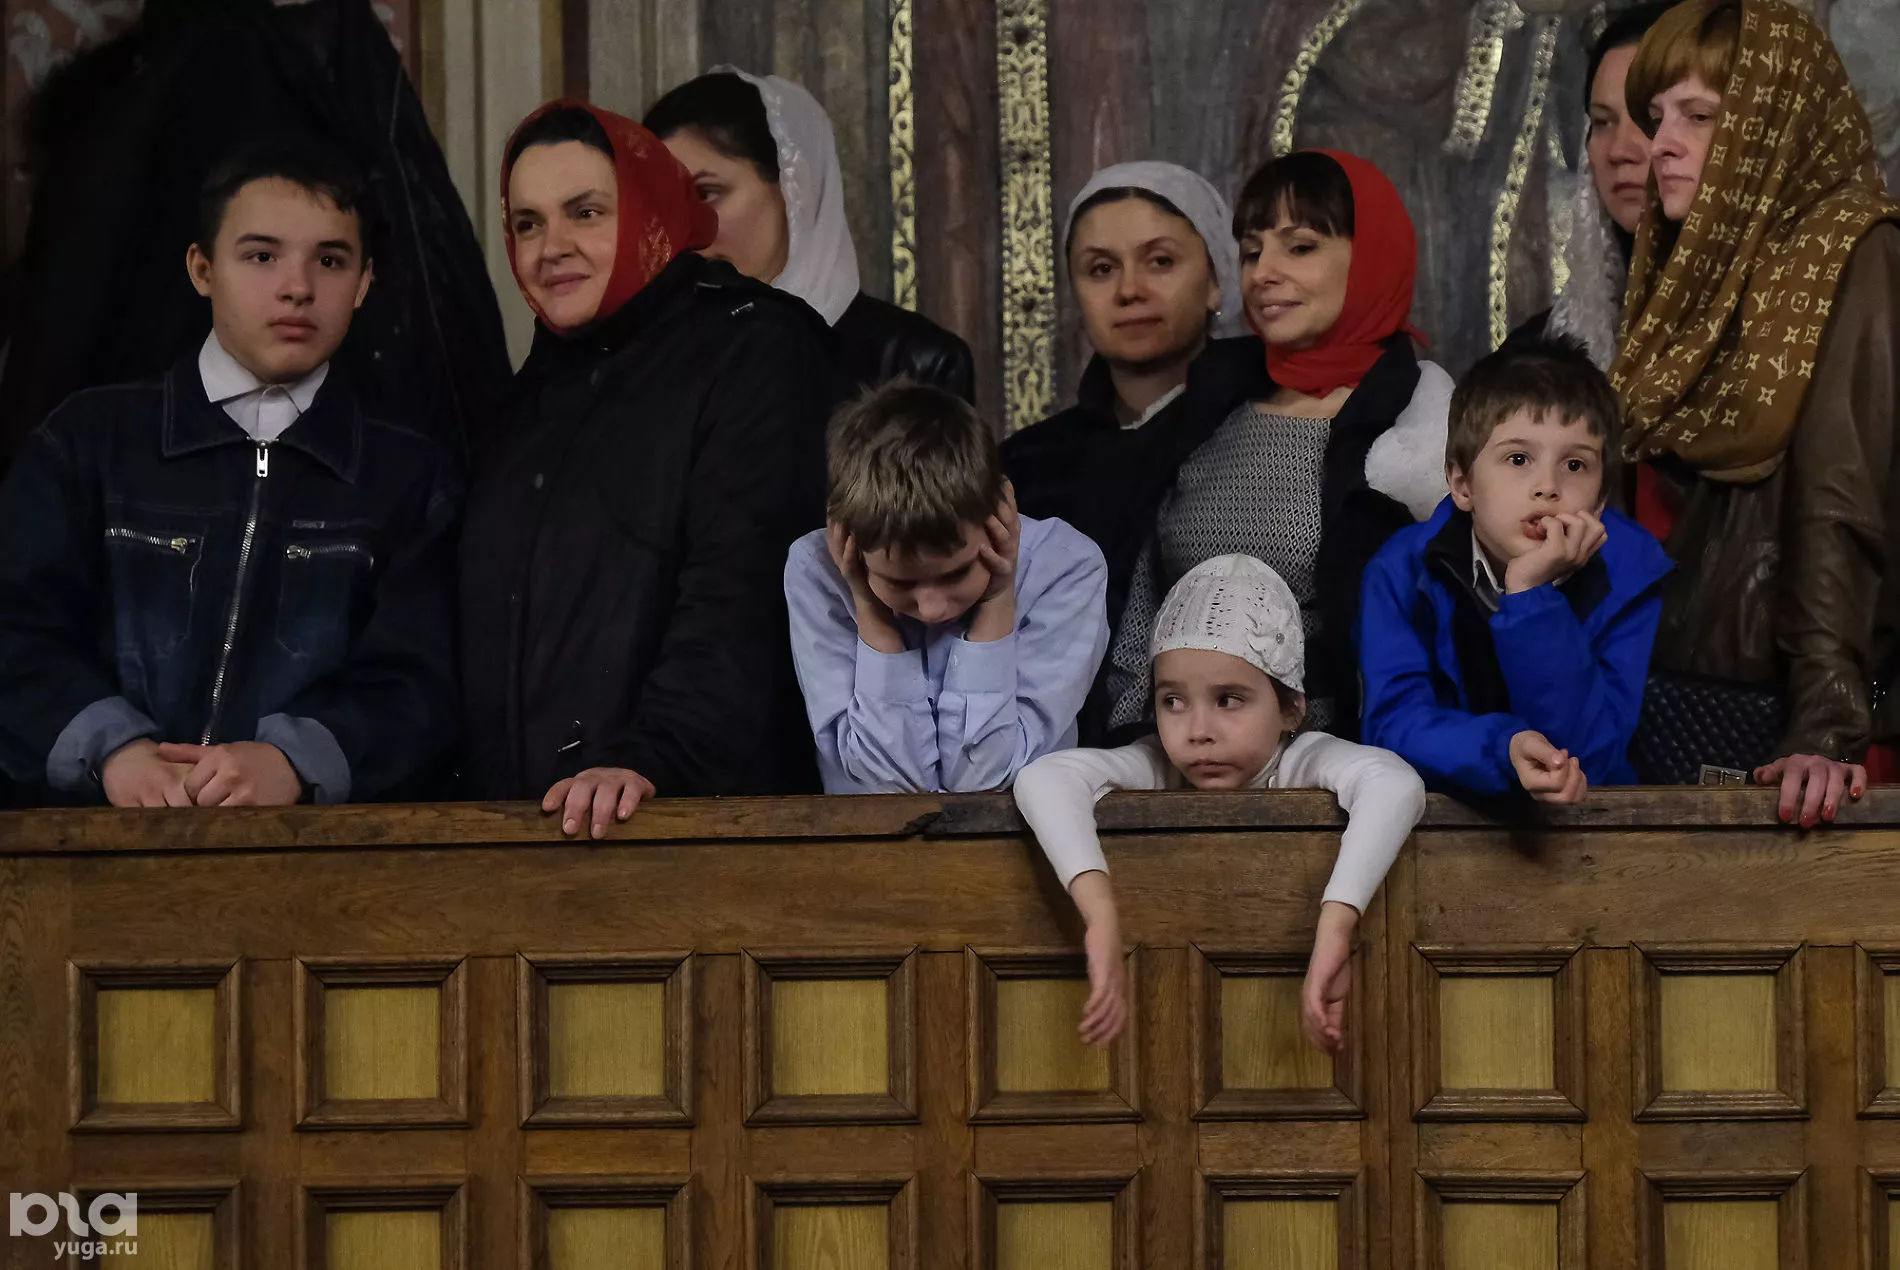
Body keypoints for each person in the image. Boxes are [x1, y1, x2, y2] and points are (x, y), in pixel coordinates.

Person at [0, 139, 461, 806]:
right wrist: (112, 749)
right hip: (89, 849)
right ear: (202, 268)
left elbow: (420, 683)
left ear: (364, 282)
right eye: (262, 256)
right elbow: (14, 629)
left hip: (317, 856)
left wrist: (295, 761)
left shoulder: (411, 477)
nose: (297, 287)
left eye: (330, 260)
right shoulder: (88, 440)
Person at [458, 102, 838, 834]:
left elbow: (744, 591)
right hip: (530, 833)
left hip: (681, 822)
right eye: (528, 223)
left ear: (652, 208)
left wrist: (652, 757)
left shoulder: (754, 347)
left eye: (586, 213)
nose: (551, 247)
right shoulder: (524, 397)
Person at [1612, 0, 1900, 822]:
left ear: (1773, 128)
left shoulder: (1852, 248)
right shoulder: (1705, 266)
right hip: (1688, 696)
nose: (1660, 143)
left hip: (1795, 729)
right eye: (1658, 116)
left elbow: (1841, 500)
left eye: (1699, 117)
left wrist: (1828, 725)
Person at [1103, 150, 1454, 744]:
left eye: (1300, 246)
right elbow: (1147, 605)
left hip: (1343, 765)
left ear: (1373, 257)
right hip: (1184, 759)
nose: (1263, 273)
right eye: (1251, 252)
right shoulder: (1206, 411)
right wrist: (1136, 751)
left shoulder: (1423, 429)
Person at [1014, 555, 1425, 1052]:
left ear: (1291, 708)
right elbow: (1043, 777)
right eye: (1172, 701)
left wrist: (1337, 925)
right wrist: (1100, 915)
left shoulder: (1301, 759)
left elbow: (1395, 785)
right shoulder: (1158, 764)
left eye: (1228, 699)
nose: (1198, 731)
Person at [1360, 337, 1672, 804]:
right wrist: (1501, 749)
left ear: (1600, 502)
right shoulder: (1401, 569)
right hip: (1443, 820)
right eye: (1518, 459)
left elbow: (1593, 759)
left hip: (1591, 828)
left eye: (1575, 464)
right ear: (1462, 484)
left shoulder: (1632, 574)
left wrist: (1530, 594)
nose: (1547, 487)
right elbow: (1391, 726)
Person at [785, 381, 1108, 793]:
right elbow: (886, 787)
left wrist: (998, 598)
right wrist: (868, 606)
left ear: (1001, 508)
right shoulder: (819, 570)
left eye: (956, 574)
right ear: (846, 535)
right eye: (899, 582)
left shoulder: (1067, 568)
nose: (932, 608)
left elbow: (985, 780)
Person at [1001, 162, 1254, 639]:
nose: (1129, 290)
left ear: (1216, 279)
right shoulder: (1026, 467)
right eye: (1101, 269)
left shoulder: (1266, 428)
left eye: (1160, 261)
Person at [643, 70, 974, 401]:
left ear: (794, 186)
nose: (683, 230)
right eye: (663, 205)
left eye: (706, 193)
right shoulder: (647, 355)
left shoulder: (913, 366)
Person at [1506, 3, 1672, 366]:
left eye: (1650, 119)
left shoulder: (1781, 327)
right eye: (1602, 122)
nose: (1619, 150)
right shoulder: (1541, 361)